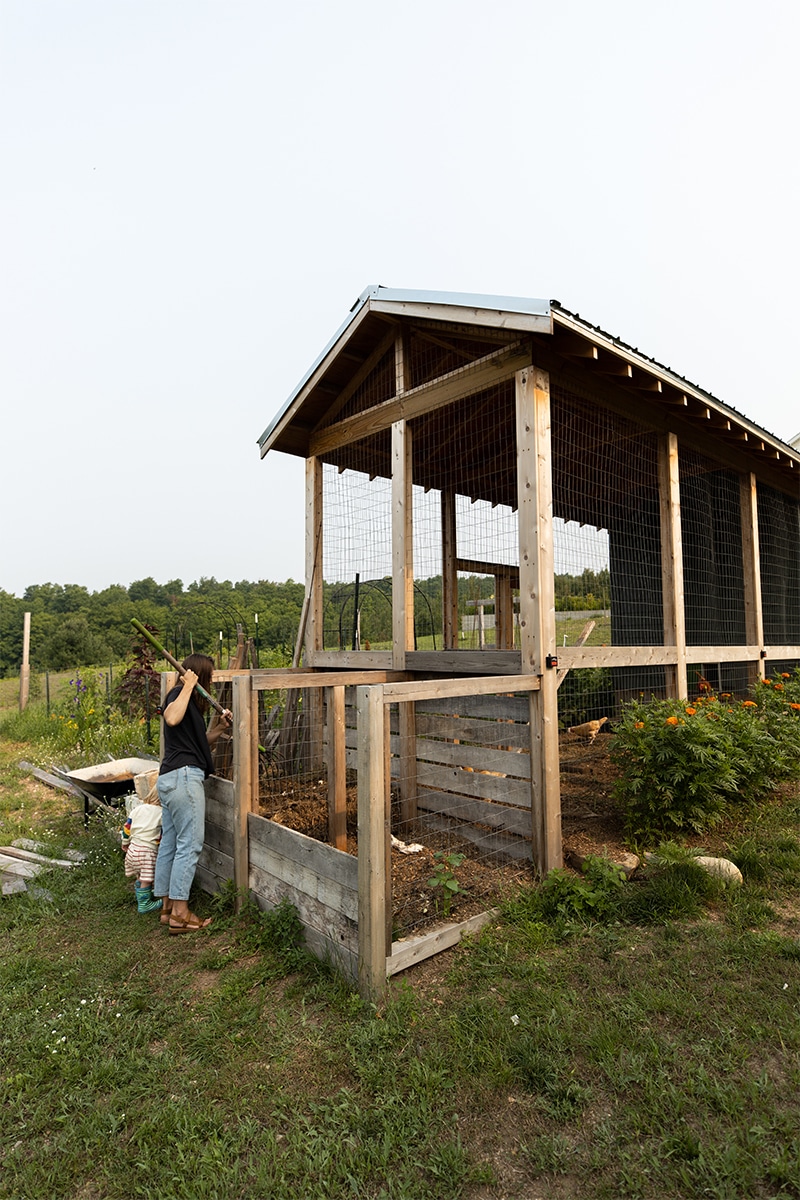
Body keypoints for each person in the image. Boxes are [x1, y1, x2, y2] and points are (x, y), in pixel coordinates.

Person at [153, 654, 231, 934]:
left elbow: (196, 744)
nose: (208, 685)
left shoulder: (189, 706)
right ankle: (181, 915)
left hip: (171, 778)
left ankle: (166, 907)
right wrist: (187, 686)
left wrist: (219, 730)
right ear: (199, 676)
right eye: (208, 678)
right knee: (191, 844)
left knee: (171, 843)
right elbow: (171, 718)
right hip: (184, 779)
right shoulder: (178, 694)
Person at [121, 798, 163, 913]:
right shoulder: (162, 813)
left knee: (139, 873)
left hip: (133, 848)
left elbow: (127, 828)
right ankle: (145, 904)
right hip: (147, 851)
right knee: (147, 878)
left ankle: (141, 893)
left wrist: (125, 843)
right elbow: (162, 835)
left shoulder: (137, 809)